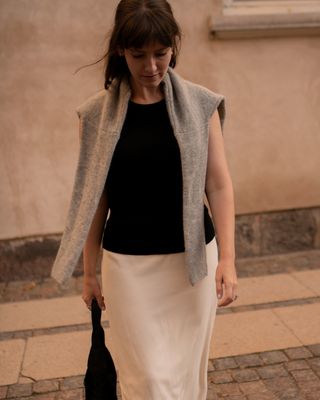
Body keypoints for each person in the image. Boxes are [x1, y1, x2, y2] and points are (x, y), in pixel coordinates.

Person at [51, 0, 238, 399]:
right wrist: (89, 271)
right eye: (140, 55)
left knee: (185, 381)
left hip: (192, 267)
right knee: (148, 381)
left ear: (173, 47)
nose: (152, 66)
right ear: (121, 49)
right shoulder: (95, 117)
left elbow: (218, 186)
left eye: (161, 53)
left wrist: (228, 259)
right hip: (129, 269)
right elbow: (93, 199)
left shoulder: (201, 106)